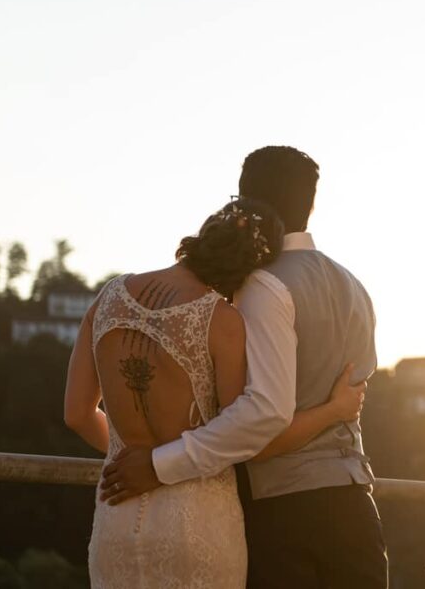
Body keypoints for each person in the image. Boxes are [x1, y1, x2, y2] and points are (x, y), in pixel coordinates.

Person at [100, 146, 389, 588]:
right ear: (311, 203)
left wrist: (160, 464)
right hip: (356, 506)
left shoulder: (263, 285)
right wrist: (334, 412)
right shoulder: (355, 286)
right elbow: (349, 397)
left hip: (283, 512)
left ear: (244, 201)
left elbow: (264, 412)